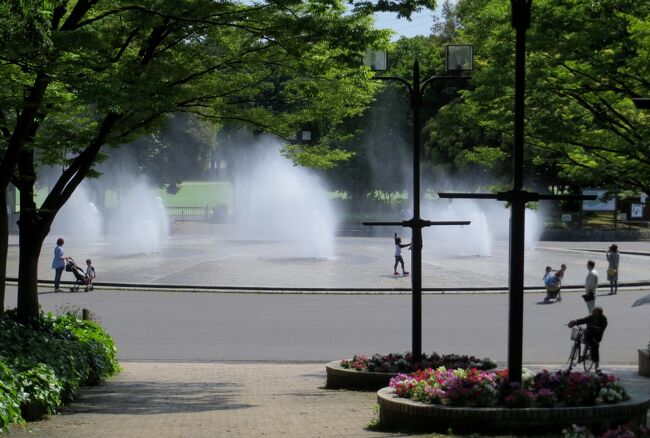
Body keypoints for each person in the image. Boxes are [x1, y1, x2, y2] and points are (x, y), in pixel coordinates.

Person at [568, 307, 608, 372]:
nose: (594, 314)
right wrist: (574, 322)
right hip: (588, 333)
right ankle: (578, 357)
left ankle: (596, 367)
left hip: (596, 336)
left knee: (594, 348)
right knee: (583, 337)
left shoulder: (603, 319)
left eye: (595, 313)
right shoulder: (591, 317)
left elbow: (601, 329)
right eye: (594, 313)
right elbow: (583, 320)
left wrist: (594, 327)